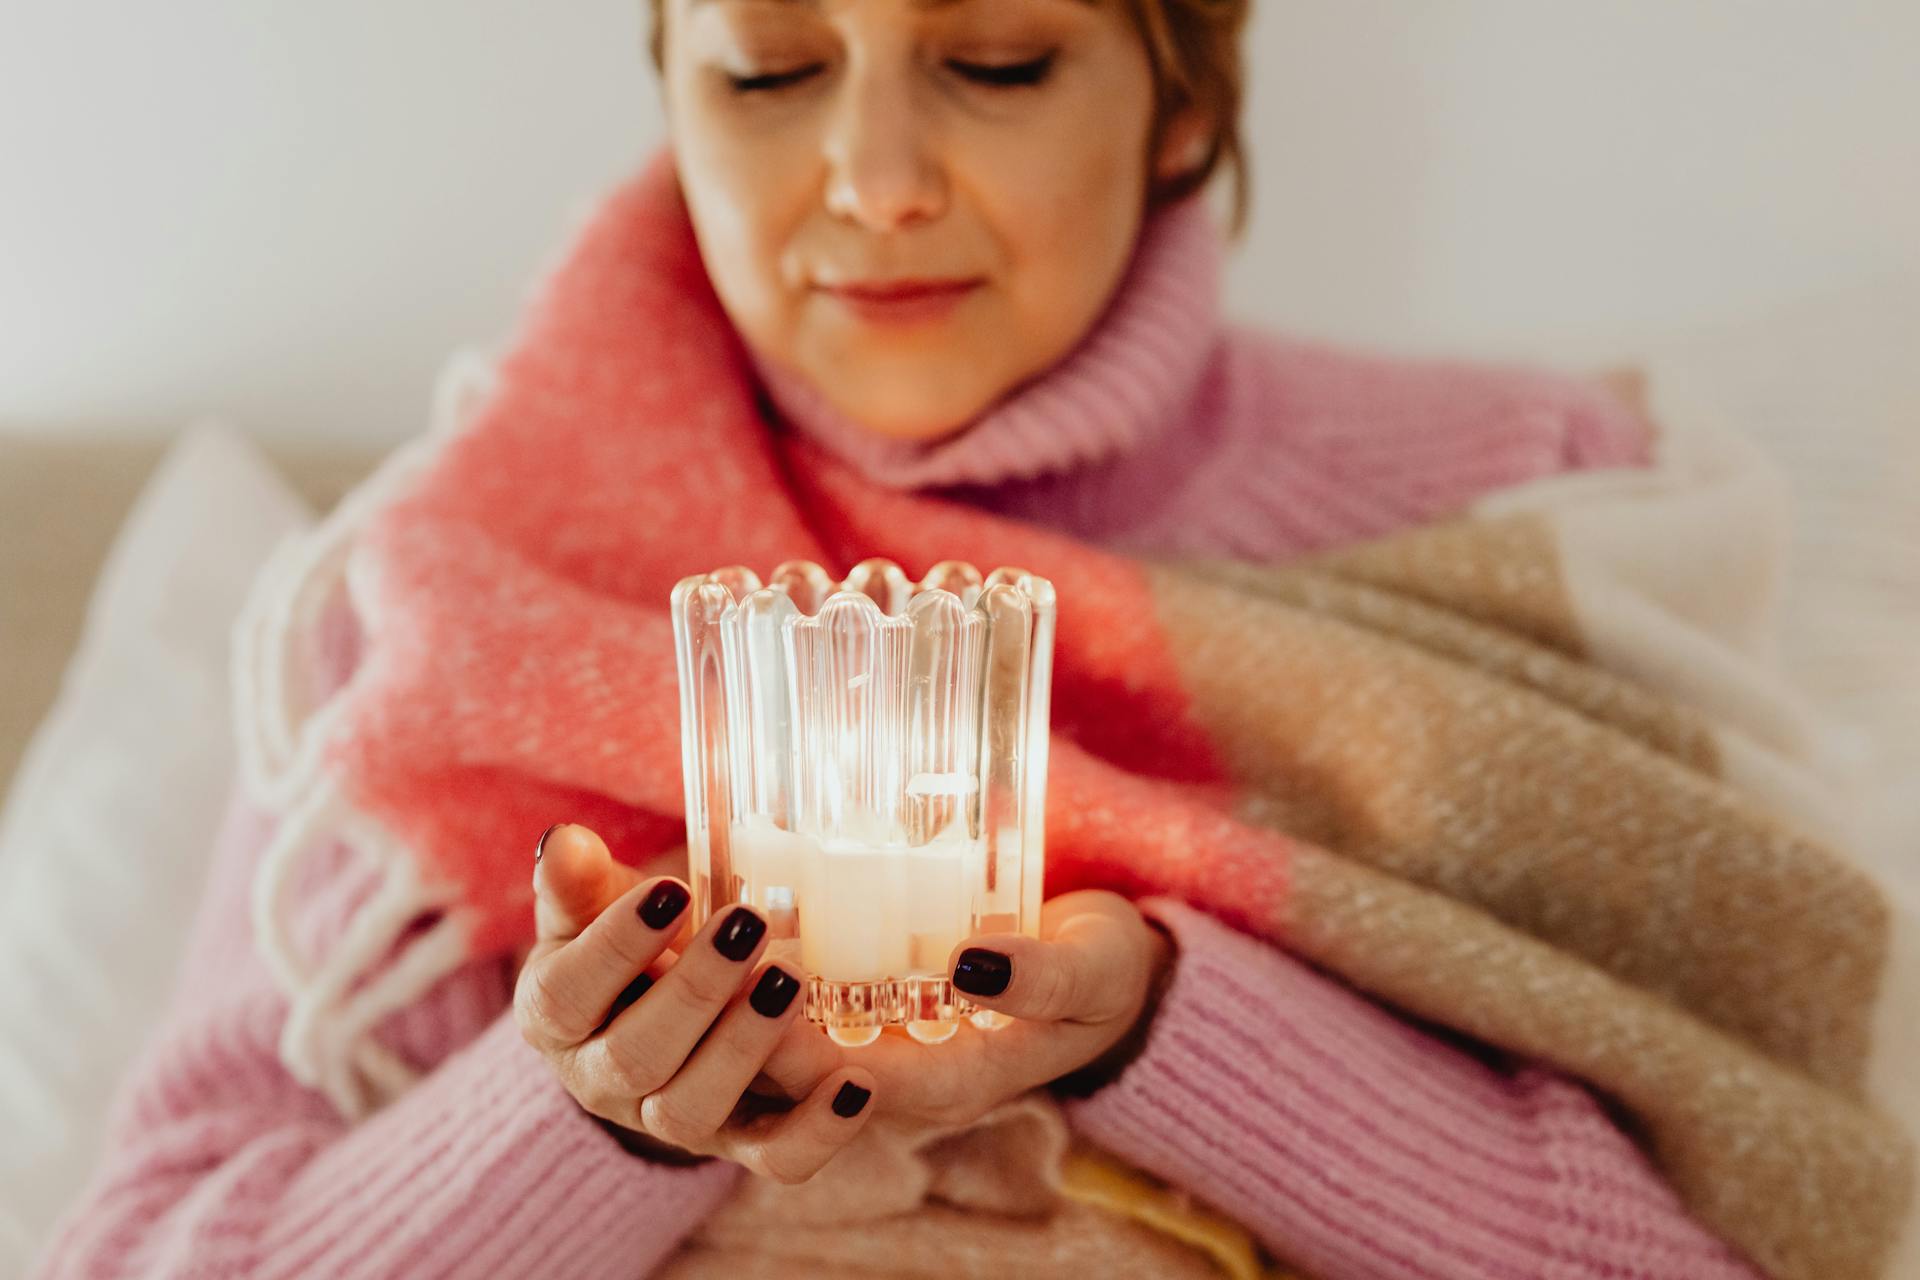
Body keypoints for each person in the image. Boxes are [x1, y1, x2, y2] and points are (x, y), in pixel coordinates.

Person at [32, 1, 1769, 1276]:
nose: (871, 180)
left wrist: (1159, 1029)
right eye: (772, 71)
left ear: (1183, 92)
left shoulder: (1528, 509)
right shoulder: (469, 588)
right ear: (672, 86)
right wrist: (598, 1120)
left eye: (996, 61)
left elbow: (1735, 1237)